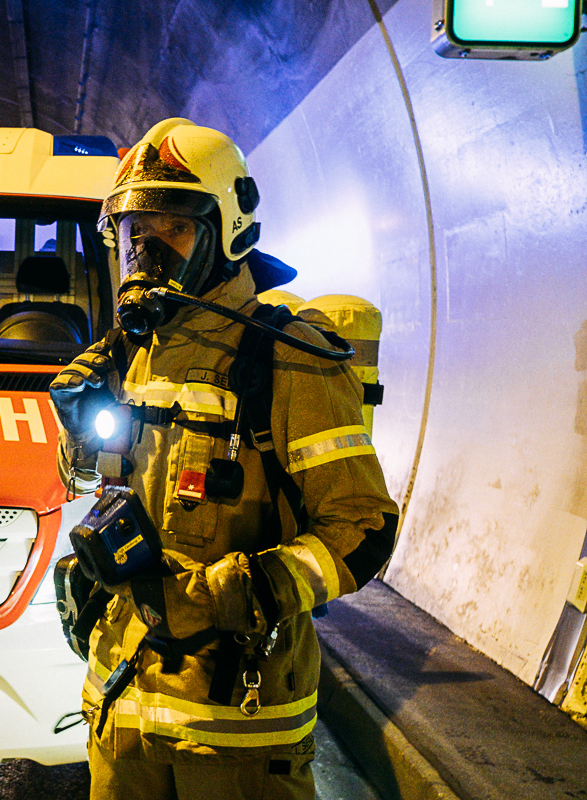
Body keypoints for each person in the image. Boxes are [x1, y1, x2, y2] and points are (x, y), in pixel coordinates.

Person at [50, 118, 399, 800]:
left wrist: (232, 594)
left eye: (175, 228)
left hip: (237, 729)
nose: (148, 252)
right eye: (135, 231)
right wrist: (77, 435)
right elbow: (92, 481)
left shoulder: (290, 359)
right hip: (122, 712)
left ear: (229, 231)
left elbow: (363, 528)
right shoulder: (128, 355)